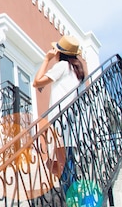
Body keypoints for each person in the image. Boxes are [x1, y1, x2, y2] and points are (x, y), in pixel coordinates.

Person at [32, 35, 86, 195]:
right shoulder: (77, 72)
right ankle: (73, 198)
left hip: (60, 119)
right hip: (71, 120)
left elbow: (37, 82)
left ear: (61, 52)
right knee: (62, 161)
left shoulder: (62, 66)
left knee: (63, 164)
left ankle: (73, 201)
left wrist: (46, 59)